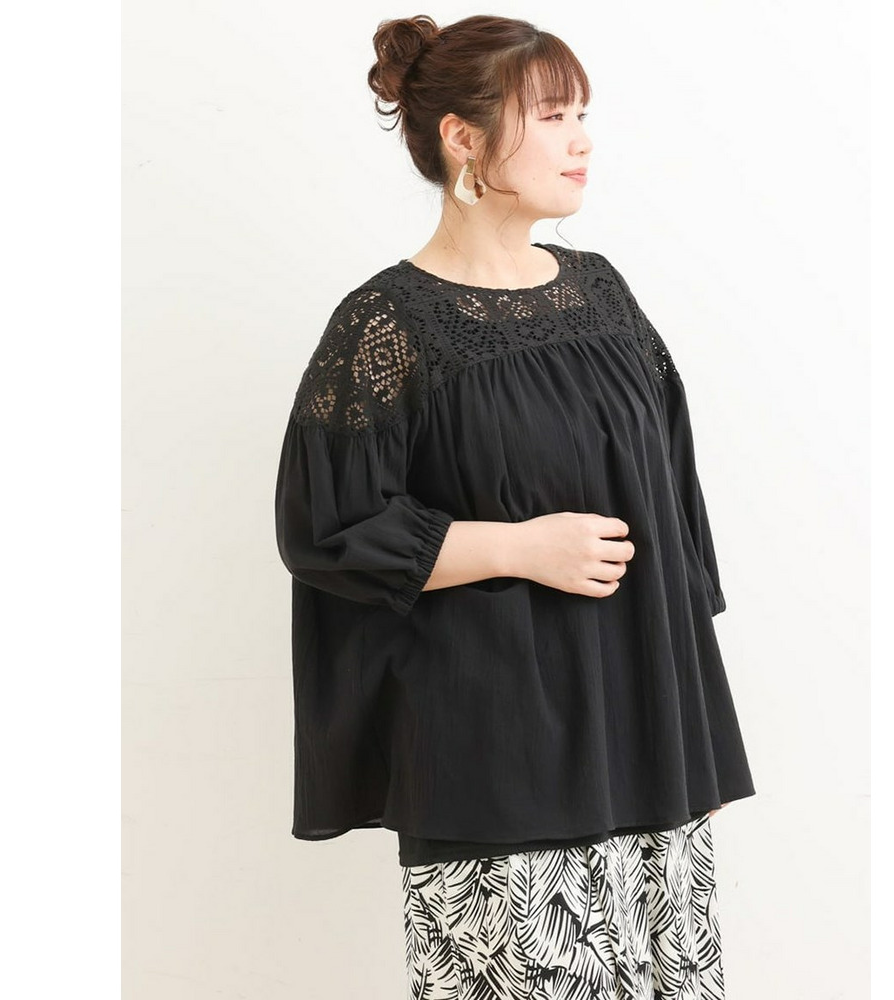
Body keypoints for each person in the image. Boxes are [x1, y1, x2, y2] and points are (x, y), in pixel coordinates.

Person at [274, 13, 756, 999]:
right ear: (464, 138)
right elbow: (324, 531)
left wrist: (687, 721)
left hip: (641, 737)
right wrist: (517, 547)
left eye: (584, 114)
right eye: (553, 116)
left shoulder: (602, 294)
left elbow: (673, 500)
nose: (583, 140)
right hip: (497, 757)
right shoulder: (385, 324)